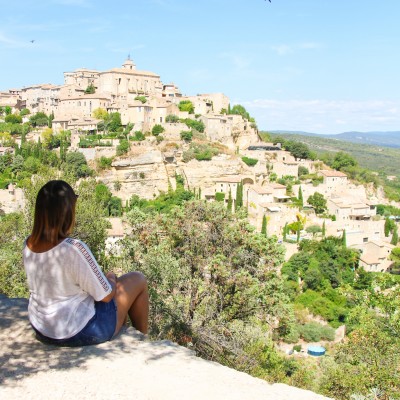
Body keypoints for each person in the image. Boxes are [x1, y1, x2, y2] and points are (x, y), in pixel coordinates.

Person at [23, 180, 149, 346]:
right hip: (79, 332)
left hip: (42, 328)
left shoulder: (28, 244)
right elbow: (106, 295)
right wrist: (111, 277)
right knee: (138, 279)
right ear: (68, 212)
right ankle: (144, 340)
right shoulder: (74, 249)